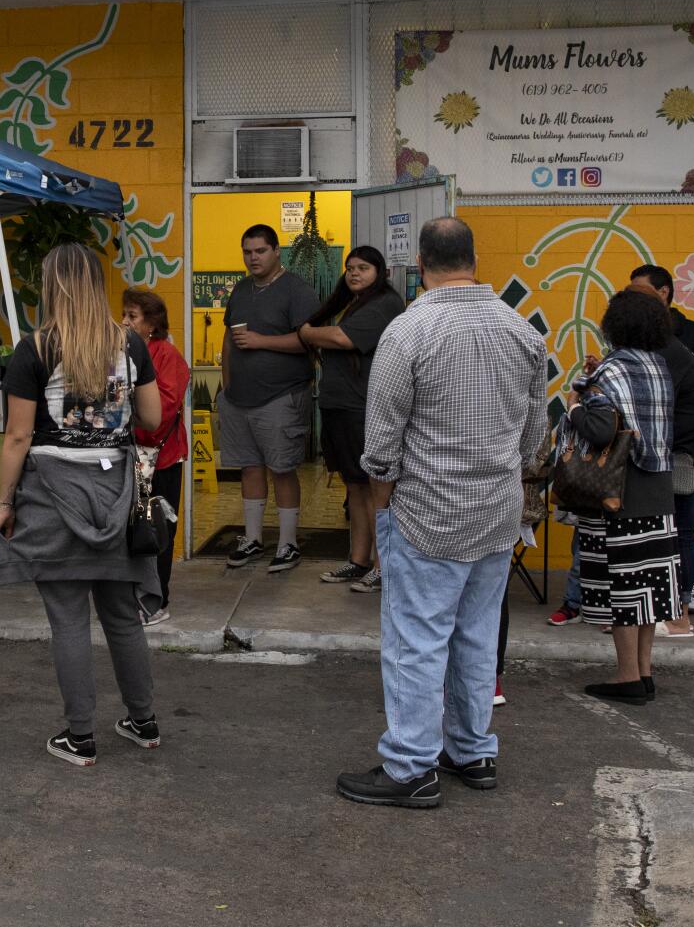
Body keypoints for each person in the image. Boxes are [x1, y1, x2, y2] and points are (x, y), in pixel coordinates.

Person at [335, 218, 547, 809]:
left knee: (415, 639)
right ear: (474, 259)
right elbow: (535, 437)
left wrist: (383, 506)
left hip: (427, 511)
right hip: (497, 514)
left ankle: (409, 767)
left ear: (421, 265)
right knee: (477, 635)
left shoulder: (408, 332)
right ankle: (473, 751)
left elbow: (379, 446)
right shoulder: (521, 331)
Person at [0, 244, 163, 768]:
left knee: (67, 620)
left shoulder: (35, 348)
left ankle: (81, 737)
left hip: (52, 493)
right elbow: (152, 418)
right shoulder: (129, 342)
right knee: (122, 617)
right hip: (115, 491)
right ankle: (143, 721)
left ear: (51, 286)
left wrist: (4, 503)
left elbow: (18, 437)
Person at [563, 288, 681, 705]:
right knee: (649, 588)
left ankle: (626, 676)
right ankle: (645, 673)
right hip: (658, 491)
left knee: (622, 587)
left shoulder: (612, 371)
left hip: (619, 492)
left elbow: (599, 430)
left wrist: (573, 407)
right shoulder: (659, 366)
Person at [298, 246, 406, 591]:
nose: (354, 273)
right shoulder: (350, 303)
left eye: (363, 268)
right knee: (355, 486)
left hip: (364, 409)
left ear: (380, 272)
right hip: (339, 406)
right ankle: (358, 561)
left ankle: (382, 566)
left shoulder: (386, 303)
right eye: (350, 268)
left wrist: (308, 333)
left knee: (376, 489)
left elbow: (343, 338)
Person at [219, 224, 320, 572]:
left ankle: (289, 544)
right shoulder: (242, 290)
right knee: (249, 467)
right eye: (247, 251)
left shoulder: (297, 291)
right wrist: (226, 384)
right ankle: (253, 539)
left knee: (282, 469)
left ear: (277, 251)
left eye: (260, 251)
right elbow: (229, 339)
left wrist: (262, 341)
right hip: (238, 399)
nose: (252, 258)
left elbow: (310, 341)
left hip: (281, 396)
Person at [630, 264, 694, 620]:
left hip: (688, 455)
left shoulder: (687, 341)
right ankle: (674, 596)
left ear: (664, 292)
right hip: (666, 453)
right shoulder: (647, 344)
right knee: (670, 530)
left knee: (682, 528)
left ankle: (684, 593)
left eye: (639, 292)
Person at [122, 287, 189, 626]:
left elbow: (161, 412)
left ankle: (157, 599)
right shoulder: (122, 353)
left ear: (152, 322)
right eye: (124, 315)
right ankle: (135, 596)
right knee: (131, 530)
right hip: (128, 455)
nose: (124, 322)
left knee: (157, 531)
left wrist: (125, 408)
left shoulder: (166, 355)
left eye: (132, 316)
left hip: (159, 458)